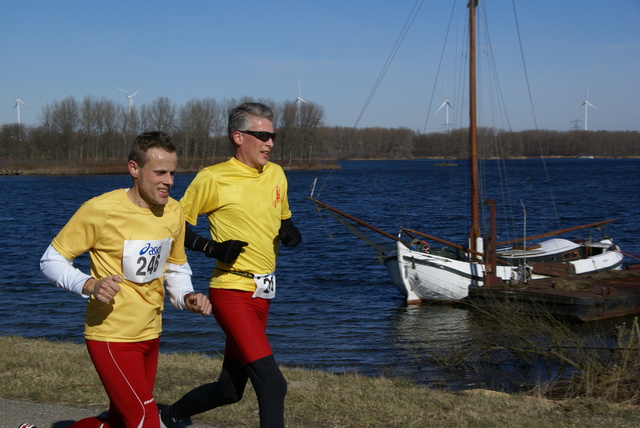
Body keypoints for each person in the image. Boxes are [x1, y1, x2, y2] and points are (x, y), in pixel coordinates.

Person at [39, 131, 212, 428]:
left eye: (172, 172)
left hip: (150, 332)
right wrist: (89, 284)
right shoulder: (100, 210)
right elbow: (51, 260)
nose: (169, 181)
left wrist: (186, 296)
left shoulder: (173, 210)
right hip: (111, 335)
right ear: (134, 168)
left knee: (121, 421)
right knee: (146, 419)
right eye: (159, 172)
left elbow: (175, 265)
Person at [160, 102, 301, 428]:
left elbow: (282, 216)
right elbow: (172, 225)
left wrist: (290, 230)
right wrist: (211, 247)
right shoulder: (213, 178)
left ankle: (166, 418)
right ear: (239, 137)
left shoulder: (276, 174)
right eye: (262, 135)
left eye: (273, 135)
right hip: (231, 290)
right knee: (273, 383)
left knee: (230, 389)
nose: (270, 143)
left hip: (263, 294)